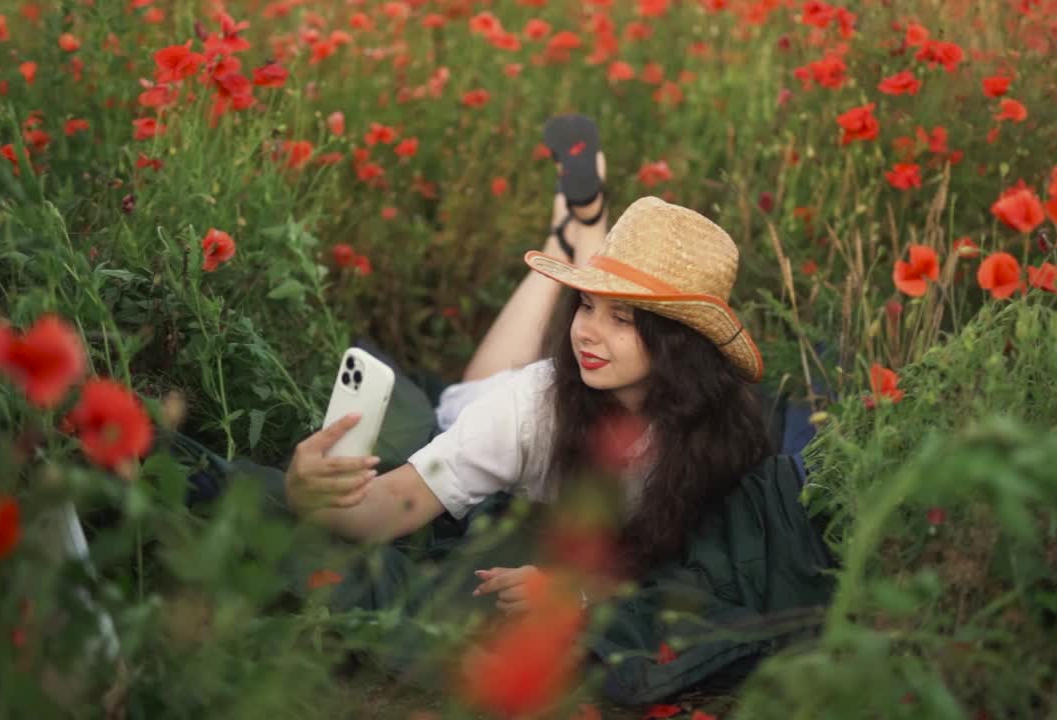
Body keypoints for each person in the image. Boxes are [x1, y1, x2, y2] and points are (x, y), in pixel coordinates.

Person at [281, 116, 774, 613]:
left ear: (679, 347)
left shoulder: (717, 429)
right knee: (473, 390)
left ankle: (577, 235)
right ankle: (573, 238)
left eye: (621, 318)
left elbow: (684, 563)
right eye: (583, 303)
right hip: (492, 400)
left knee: (514, 367)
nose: (585, 330)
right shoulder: (528, 408)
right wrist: (311, 494)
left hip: (542, 394)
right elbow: (393, 502)